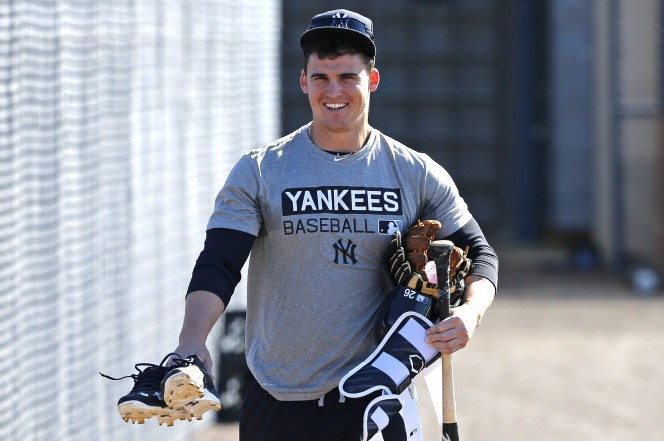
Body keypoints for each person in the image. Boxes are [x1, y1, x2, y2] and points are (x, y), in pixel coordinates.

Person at [174, 8, 498, 441]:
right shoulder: (261, 170)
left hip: (376, 394)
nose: (334, 91)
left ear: (373, 80)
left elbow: (480, 254)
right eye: (322, 77)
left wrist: (469, 312)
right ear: (304, 81)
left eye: (348, 77)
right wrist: (193, 338)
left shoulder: (414, 173)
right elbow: (219, 263)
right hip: (278, 394)